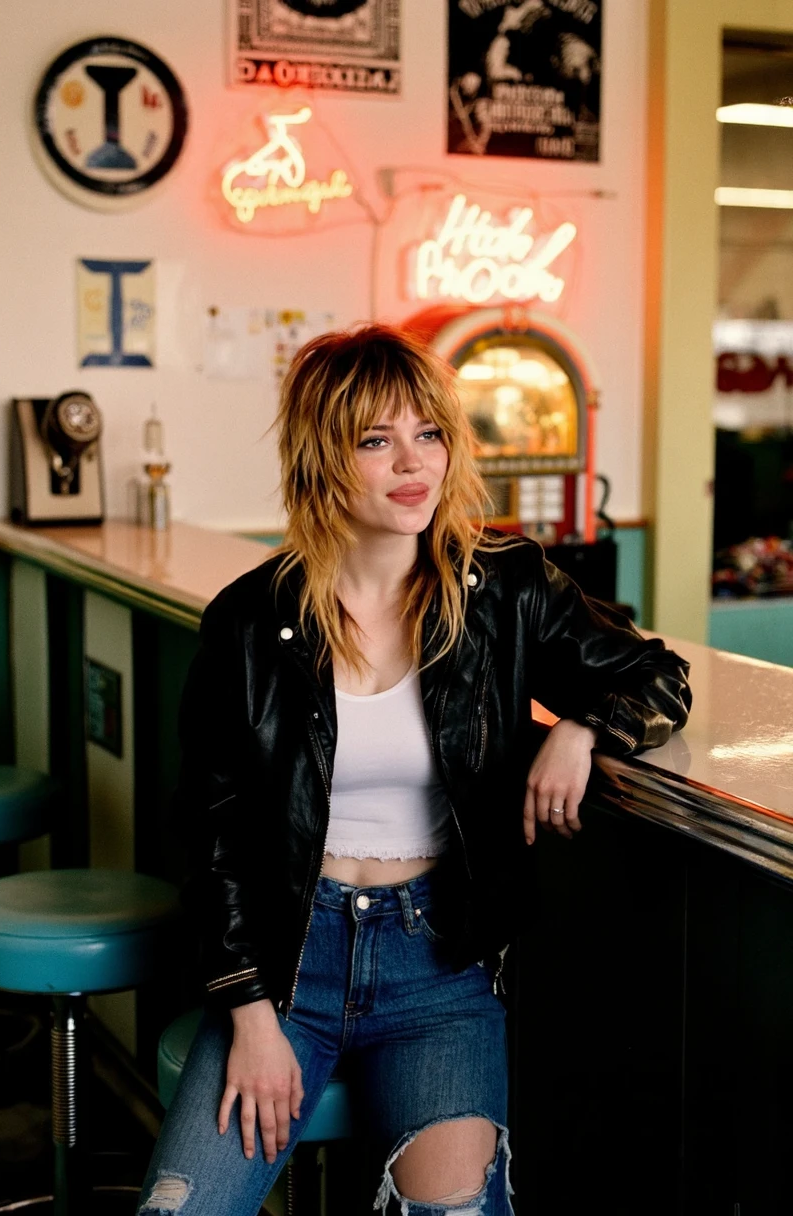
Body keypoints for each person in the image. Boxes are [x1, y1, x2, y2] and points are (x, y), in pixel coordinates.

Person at [137, 325, 691, 1216]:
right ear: (324, 457)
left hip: (439, 968)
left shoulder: (504, 588)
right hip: (288, 963)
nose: (412, 463)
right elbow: (213, 830)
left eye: (428, 433)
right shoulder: (250, 622)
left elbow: (656, 677)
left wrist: (582, 726)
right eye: (375, 440)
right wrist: (247, 1011)